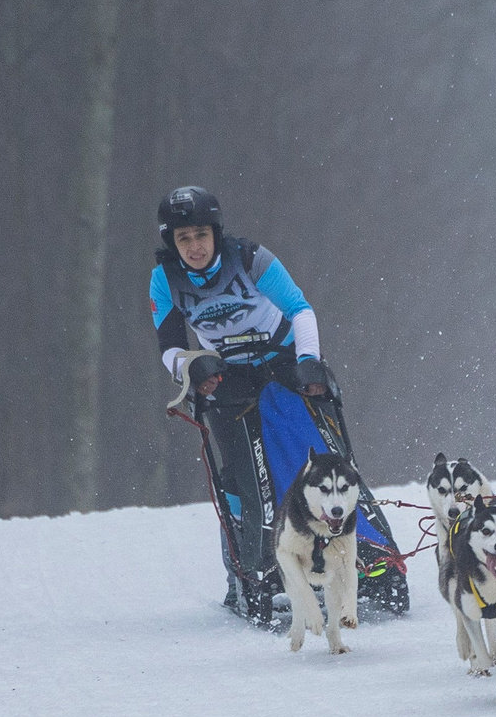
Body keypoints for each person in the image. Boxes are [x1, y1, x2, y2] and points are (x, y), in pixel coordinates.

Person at [149, 184, 402, 613]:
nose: (194, 247)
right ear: (172, 243)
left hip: (283, 362)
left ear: (216, 232)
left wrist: (308, 361)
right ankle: (254, 572)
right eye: (183, 239)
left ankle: (371, 561)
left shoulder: (249, 258)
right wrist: (190, 367)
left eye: (201, 235)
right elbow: (170, 347)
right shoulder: (164, 279)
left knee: (322, 461)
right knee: (243, 480)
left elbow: (300, 310)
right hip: (228, 376)